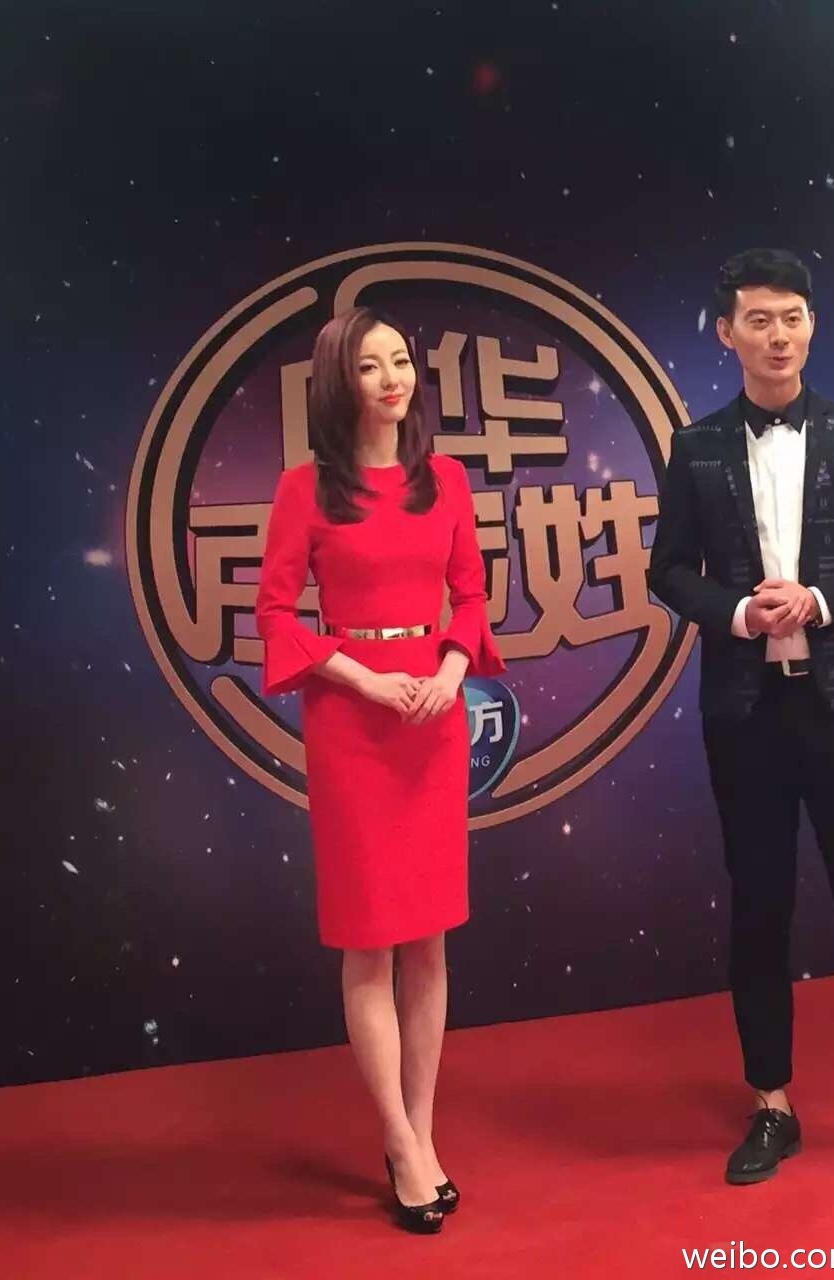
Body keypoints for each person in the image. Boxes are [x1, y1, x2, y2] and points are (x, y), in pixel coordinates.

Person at [648, 248, 834, 1184]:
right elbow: (667, 571)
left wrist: (821, 601)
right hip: (746, 713)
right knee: (759, 910)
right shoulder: (696, 447)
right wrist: (738, 613)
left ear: (812, 325)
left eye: (794, 317)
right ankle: (771, 1103)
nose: (779, 336)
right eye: (760, 320)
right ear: (726, 333)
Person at [255, 306, 504, 1231]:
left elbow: (471, 594)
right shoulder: (305, 490)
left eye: (401, 360)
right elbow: (275, 614)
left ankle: (423, 1131)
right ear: (339, 382)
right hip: (351, 719)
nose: (393, 378)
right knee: (370, 938)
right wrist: (363, 678)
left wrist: (448, 673)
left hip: (433, 715)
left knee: (429, 939)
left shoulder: (447, 479)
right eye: (370, 365)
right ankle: (397, 1142)